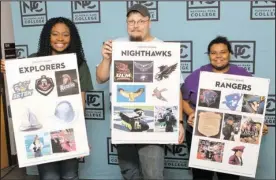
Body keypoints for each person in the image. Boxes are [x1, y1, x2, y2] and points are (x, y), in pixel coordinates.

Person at [96, 4, 184, 179]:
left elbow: (175, 88)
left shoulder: (162, 47)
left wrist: (179, 121)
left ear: (149, 22)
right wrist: (106, 59)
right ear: (127, 23)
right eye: (131, 21)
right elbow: (100, 78)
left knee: (153, 174)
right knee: (129, 173)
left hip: (153, 121)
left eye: (141, 21)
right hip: (123, 122)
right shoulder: (117, 45)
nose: (135, 25)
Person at [1, 17, 93, 180]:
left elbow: (81, 102)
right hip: (41, 131)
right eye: (55, 34)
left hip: (68, 132)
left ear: (72, 38)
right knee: (49, 176)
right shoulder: (33, 60)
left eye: (65, 35)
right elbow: (21, 89)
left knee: (70, 175)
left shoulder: (79, 64)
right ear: (47, 37)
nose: (60, 39)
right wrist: (8, 69)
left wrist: (80, 136)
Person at [181, 36, 268, 180]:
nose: (218, 56)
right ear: (209, 55)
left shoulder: (243, 75)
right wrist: (191, 113)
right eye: (214, 53)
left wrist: (258, 124)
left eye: (223, 52)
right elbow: (183, 99)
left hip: (231, 136)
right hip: (202, 133)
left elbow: (253, 105)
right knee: (201, 176)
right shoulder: (198, 74)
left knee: (229, 177)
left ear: (230, 54)